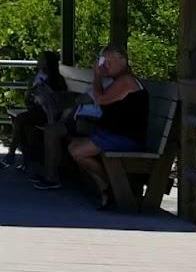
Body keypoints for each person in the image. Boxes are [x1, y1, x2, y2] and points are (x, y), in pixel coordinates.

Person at [35, 45, 149, 210]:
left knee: (78, 151)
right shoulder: (117, 81)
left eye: (110, 62)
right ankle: (107, 187)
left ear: (123, 61)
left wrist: (97, 75)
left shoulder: (127, 81)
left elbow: (101, 99)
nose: (106, 65)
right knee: (74, 146)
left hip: (126, 138)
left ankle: (110, 188)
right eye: (104, 61)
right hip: (111, 134)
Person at [0, 51, 70, 170]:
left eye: (41, 59)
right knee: (20, 122)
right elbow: (28, 99)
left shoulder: (57, 80)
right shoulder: (35, 77)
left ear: (47, 63)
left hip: (49, 113)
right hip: (36, 110)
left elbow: (58, 100)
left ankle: (13, 155)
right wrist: (31, 96)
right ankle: (24, 158)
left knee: (20, 120)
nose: (38, 60)